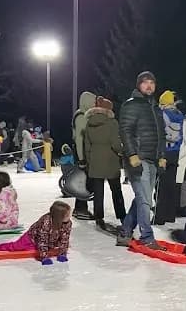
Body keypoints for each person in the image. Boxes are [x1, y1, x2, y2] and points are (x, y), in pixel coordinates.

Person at [117, 71, 167, 250]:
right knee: (145, 200)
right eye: (145, 83)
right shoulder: (131, 105)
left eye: (152, 83)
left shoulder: (155, 108)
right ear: (139, 85)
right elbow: (126, 131)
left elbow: (161, 135)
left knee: (141, 198)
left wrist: (162, 157)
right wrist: (132, 156)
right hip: (138, 159)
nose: (149, 86)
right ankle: (146, 236)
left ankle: (125, 231)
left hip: (153, 160)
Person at [84, 96, 127, 226]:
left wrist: (90, 160)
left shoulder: (89, 122)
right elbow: (115, 143)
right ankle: (122, 215)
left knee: (98, 192)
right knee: (116, 190)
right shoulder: (112, 123)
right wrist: (122, 151)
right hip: (110, 161)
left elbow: (87, 145)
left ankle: (99, 217)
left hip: (95, 161)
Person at [0, 200, 72, 265]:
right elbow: (42, 240)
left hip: (51, 240)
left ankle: (41, 249)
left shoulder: (68, 223)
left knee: (35, 248)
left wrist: (62, 253)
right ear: (59, 217)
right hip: (31, 238)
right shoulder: (46, 222)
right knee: (16, 247)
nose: (70, 217)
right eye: (67, 215)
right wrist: (44, 257)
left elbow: (65, 238)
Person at [154, 90, 184, 225]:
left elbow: (159, 133)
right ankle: (170, 215)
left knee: (161, 185)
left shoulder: (162, 114)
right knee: (171, 185)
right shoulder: (180, 115)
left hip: (164, 152)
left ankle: (159, 217)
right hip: (175, 152)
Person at [71, 91, 97, 219]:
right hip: (82, 153)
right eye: (93, 101)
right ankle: (80, 208)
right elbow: (79, 140)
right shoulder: (81, 116)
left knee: (85, 180)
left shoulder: (85, 115)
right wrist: (81, 159)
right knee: (83, 181)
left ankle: (81, 207)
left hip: (84, 152)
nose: (94, 104)